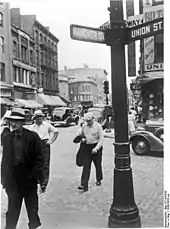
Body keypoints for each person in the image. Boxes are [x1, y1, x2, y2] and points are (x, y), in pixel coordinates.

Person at [1, 108, 46, 229]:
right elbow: (5, 160)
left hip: (28, 177)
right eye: (11, 121)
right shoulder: (7, 137)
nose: (13, 124)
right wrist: (4, 179)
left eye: (17, 121)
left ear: (23, 122)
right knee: (12, 210)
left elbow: (40, 158)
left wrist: (37, 177)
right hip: (13, 179)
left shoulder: (32, 137)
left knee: (32, 209)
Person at [30, 110, 59, 187]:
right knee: (36, 163)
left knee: (45, 163)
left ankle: (44, 183)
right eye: (37, 118)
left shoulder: (47, 125)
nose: (39, 119)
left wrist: (51, 140)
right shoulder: (32, 127)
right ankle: (38, 179)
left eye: (40, 117)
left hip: (44, 144)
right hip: (35, 145)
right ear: (34, 118)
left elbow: (56, 131)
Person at [77, 112, 104, 192]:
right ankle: (84, 184)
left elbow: (101, 138)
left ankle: (99, 178)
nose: (88, 122)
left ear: (93, 119)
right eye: (87, 121)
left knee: (97, 164)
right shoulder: (84, 126)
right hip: (87, 148)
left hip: (96, 147)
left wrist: (96, 148)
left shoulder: (98, 126)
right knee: (86, 166)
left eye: (89, 121)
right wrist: (81, 138)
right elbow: (82, 134)